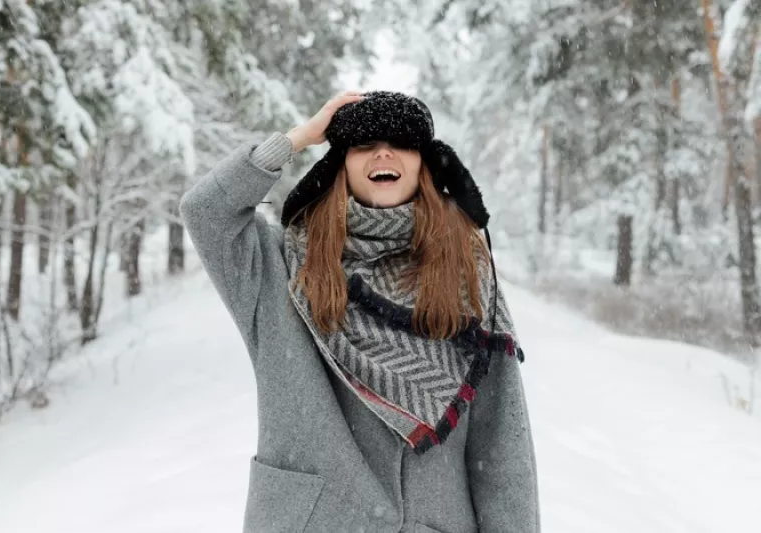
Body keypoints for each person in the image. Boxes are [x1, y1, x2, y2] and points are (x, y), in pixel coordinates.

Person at [180, 90, 540, 533]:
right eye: (364, 144)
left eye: (402, 143)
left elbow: (502, 448)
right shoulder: (283, 266)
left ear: (425, 163)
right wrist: (299, 137)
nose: (383, 152)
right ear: (341, 164)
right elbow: (205, 213)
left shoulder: (468, 272)